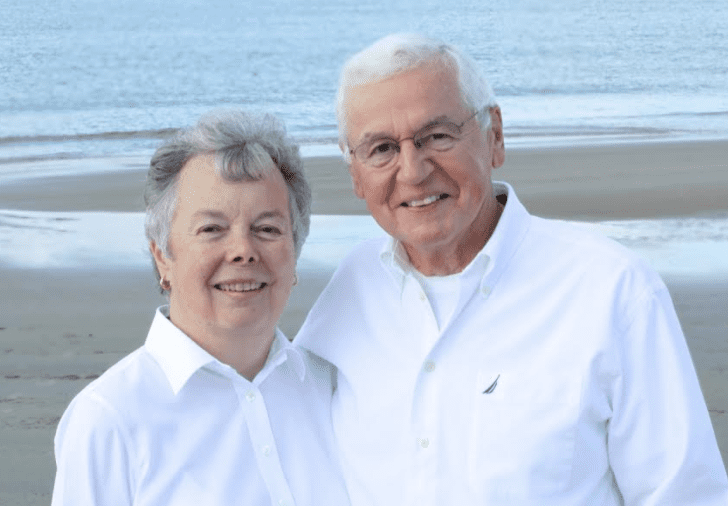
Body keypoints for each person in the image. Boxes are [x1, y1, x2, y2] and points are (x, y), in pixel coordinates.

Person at [295, 33, 728, 504]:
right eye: (381, 149)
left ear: (494, 135)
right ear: (355, 174)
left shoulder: (611, 289)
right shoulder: (349, 293)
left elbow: (684, 493)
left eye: (437, 136)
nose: (413, 170)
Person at [51, 110, 350, 505]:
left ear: (294, 253)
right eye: (212, 229)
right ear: (163, 257)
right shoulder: (110, 418)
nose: (243, 251)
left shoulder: (331, 389)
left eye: (267, 229)